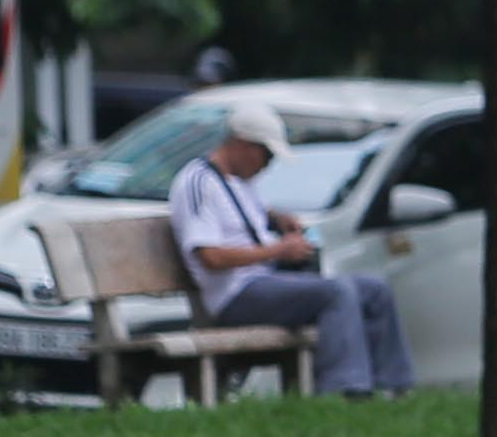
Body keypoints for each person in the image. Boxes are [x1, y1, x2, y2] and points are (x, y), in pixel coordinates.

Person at [172, 107, 413, 398]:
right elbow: (210, 257)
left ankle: (393, 386)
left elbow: (243, 217)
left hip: (263, 283)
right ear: (243, 145)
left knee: (374, 290)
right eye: (267, 156)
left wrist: (276, 219)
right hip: (234, 295)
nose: (268, 165)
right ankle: (344, 390)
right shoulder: (198, 182)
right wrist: (278, 251)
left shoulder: (238, 181)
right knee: (336, 292)